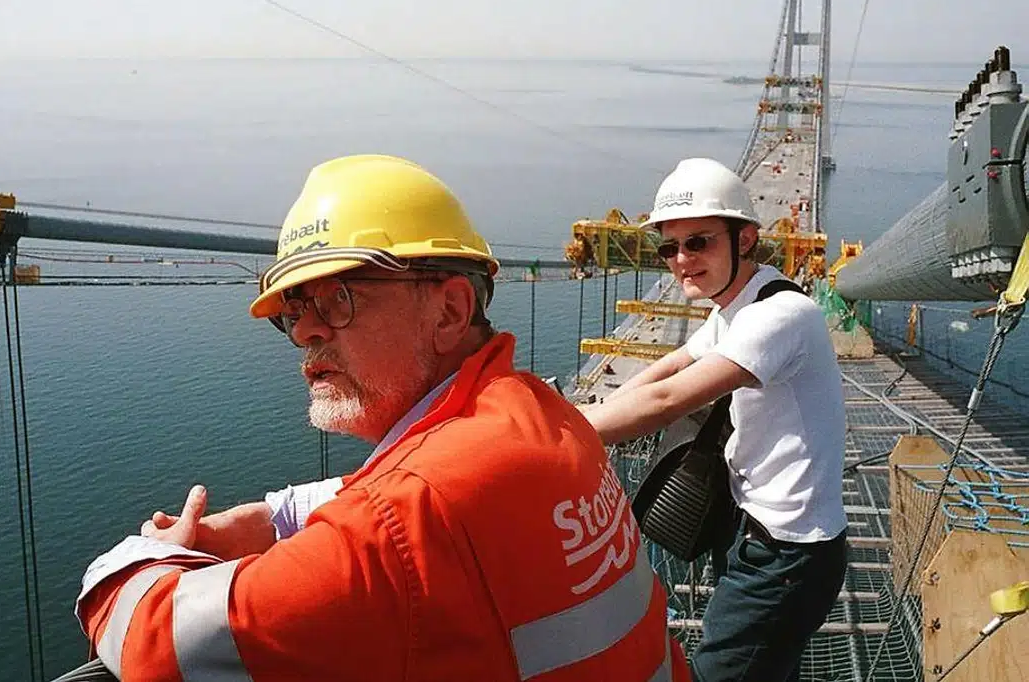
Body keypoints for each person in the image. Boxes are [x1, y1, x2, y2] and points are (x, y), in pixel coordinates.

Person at [75, 154, 689, 681]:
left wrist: (141, 555)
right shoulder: (535, 410)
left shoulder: (406, 517)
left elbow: (158, 641)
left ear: (449, 310)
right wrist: (273, 518)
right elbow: (416, 492)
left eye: (337, 298)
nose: (306, 330)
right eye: (294, 311)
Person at [579, 158, 849, 682]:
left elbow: (668, 401)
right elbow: (668, 368)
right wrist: (574, 413)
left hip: (788, 558)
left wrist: (552, 433)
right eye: (668, 247)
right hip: (753, 534)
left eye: (699, 242)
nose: (681, 260)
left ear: (744, 238)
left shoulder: (779, 315)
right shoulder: (737, 305)